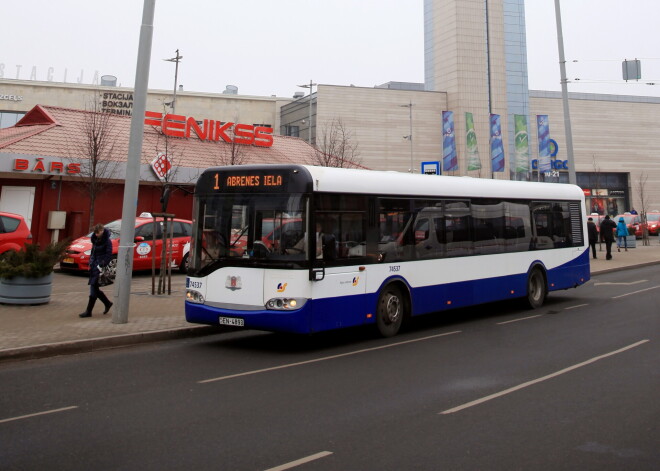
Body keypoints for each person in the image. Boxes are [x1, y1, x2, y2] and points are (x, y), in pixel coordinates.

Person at [79, 223, 113, 318]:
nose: (97, 234)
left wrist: (102, 264)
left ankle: (89, 311)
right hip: (94, 266)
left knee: (93, 287)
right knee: (95, 287)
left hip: (99, 267)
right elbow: (93, 252)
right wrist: (91, 262)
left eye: (98, 233)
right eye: (96, 233)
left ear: (102, 231)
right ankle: (107, 303)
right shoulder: (95, 240)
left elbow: (109, 254)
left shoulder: (107, 241)